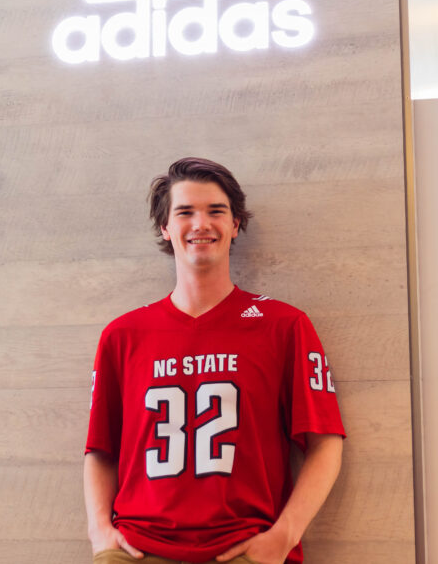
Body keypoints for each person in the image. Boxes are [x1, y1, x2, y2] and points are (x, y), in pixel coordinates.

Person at [84, 157, 345, 564]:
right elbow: (100, 449)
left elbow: (325, 441)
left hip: (245, 547)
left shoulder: (283, 326)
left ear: (236, 224)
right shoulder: (123, 336)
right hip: (138, 548)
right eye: (185, 212)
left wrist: (285, 535)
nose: (201, 224)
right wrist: (99, 531)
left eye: (216, 211)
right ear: (164, 227)